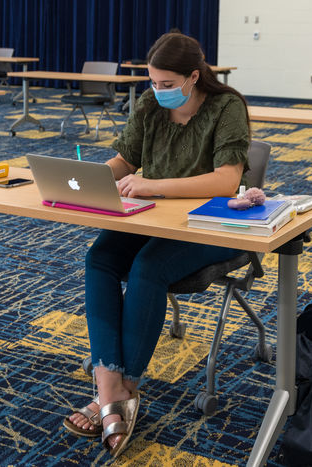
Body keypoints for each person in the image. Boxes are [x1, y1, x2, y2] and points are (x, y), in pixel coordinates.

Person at [63, 32, 251, 458]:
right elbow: (126, 162)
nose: (158, 91)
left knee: (149, 266)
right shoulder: (150, 105)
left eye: (167, 84)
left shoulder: (227, 107)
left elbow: (227, 181)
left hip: (213, 225)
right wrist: (87, 178)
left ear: (194, 77)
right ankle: (111, 384)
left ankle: (121, 388)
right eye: (153, 82)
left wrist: (154, 187)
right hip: (156, 217)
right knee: (101, 257)